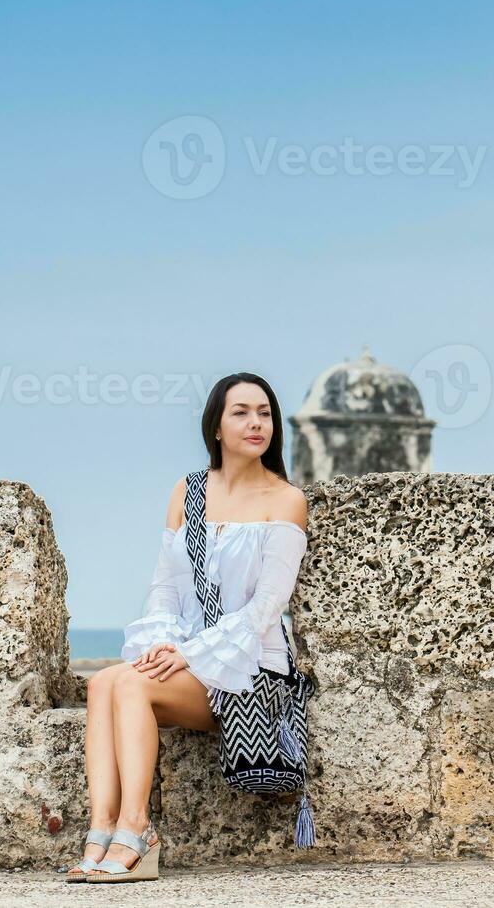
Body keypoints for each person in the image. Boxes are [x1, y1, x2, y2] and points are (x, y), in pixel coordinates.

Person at [61, 372, 309, 883]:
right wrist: (161, 648)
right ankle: (102, 828)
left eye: (264, 412)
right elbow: (166, 589)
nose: (255, 422)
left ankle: (138, 829)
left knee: (128, 682)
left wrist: (191, 654)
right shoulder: (188, 491)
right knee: (103, 680)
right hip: (191, 659)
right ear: (216, 426)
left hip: (249, 672)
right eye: (240, 412)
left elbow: (266, 607)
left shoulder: (285, 500)